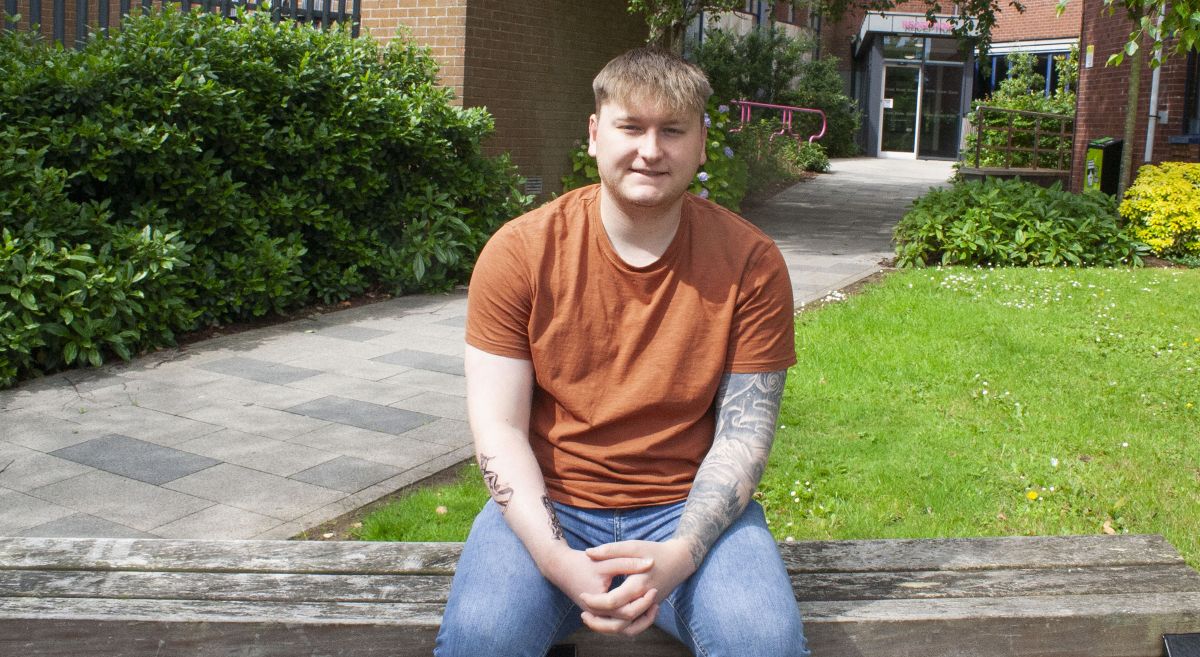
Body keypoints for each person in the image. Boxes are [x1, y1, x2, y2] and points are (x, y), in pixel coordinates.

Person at [434, 47, 809, 657]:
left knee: (764, 643)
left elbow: (745, 436)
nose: (650, 150)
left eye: (672, 130)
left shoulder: (750, 262)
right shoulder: (519, 252)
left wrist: (679, 557)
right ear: (594, 133)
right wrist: (556, 560)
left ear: (702, 142)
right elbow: (498, 429)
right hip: (551, 505)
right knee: (481, 642)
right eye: (631, 127)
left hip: (689, 514)